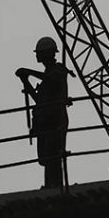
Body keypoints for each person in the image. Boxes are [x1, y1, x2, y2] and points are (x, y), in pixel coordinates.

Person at [16, 36, 69, 189]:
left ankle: (56, 186)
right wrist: (25, 81)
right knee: (46, 158)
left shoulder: (58, 70)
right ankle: (50, 186)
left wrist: (28, 72)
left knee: (54, 155)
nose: (37, 56)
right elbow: (40, 100)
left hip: (56, 119)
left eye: (39, 53)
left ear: (47, 53)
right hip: (45, 121)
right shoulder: (47, 75)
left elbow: (52, 79)